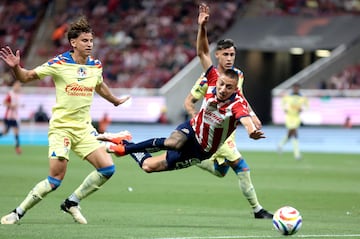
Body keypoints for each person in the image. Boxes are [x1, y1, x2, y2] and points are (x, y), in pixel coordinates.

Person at [97, 4, 265, 175]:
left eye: (228, 87)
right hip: (192, 129)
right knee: (172, 143)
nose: (221, 89)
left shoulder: (236, 104)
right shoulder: (213, 79)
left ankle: (126, 142)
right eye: (221, 84)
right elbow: (202, 53)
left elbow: (245, 120)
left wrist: (252, 131)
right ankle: (125, 148)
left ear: (234, 89)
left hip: (200, 150)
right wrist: (202, 26)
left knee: (148, 166)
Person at [0, 15, 130, 225]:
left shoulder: (95, 65)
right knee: (55, 179)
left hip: (84, 129)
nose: (90, 44)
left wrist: (114, 100)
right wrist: (16, 67)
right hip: (62, 129)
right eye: (85, 41)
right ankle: (17, 213)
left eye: (91, 40)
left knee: (107, 168)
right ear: (73, 42)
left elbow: (99, 85)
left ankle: (72, 202)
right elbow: (25, 77)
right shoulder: (59, 63)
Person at [183, 13, 272, 219]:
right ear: (217, 55)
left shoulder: (238, 75)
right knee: (242, 166)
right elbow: (189, 101)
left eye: (232, 54)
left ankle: (194, 157)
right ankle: (258, 210)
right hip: (214, 130)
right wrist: (196, 118)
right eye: (226, 55)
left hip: (228, 131)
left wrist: (252, 114)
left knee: (220, 171)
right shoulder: (208, 78)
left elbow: (239, 96)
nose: (230, 58)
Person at [277, 83, 308, 160]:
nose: (296, 89)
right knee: (294, 133)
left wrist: (302, 109)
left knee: (291, 134)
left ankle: (280, 145)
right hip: (289, 117)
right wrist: (285, 109)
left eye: (297, 88)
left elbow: (306, 106)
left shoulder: (302, 97)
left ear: (299, 88)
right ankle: (297, 154)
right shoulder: (288, 96)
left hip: (296, 117)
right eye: (294, 88)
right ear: (293, 88)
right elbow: (282, 104)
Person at [0, 80, 22, 154]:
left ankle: (17, 148)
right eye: (17, 85)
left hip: (14, 117)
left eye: (19, 85)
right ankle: (17, 147)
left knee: (16, 131)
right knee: (6, 132)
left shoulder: (18, 95)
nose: (18, 87)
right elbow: (4, 102)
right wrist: (11, 105)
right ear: (14, 86)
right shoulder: (11, 94)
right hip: (9, 117)